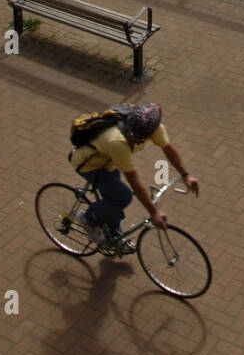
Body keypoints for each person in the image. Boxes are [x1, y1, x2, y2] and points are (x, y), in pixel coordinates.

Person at [71, 102, 198, 254]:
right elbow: (134, 181)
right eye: (132, 134)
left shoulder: (154, 128)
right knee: (122, 197)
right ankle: (87, 219)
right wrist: (154, 212)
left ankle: (115, 235)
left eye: (139, 137)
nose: (134, 138)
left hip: (110, 161)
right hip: (89, 165)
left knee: (115, 200)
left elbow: (168, 148)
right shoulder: (117, 141)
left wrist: (186, 175)